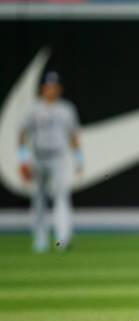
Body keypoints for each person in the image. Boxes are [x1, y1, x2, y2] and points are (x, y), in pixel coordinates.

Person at [17, 71, 83, 252]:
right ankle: (40, 241)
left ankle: (62, 239)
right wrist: (22, 160)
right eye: (48, 86)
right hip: (38, 157)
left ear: (59, 89)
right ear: (43, 88)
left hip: (59, 157)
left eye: (54, 86)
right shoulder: (33, 109)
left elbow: (73, 135)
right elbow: (22, 134)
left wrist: (79, 158)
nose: (51, 90)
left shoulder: (66, 109)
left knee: (62, 197)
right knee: (38, 200)